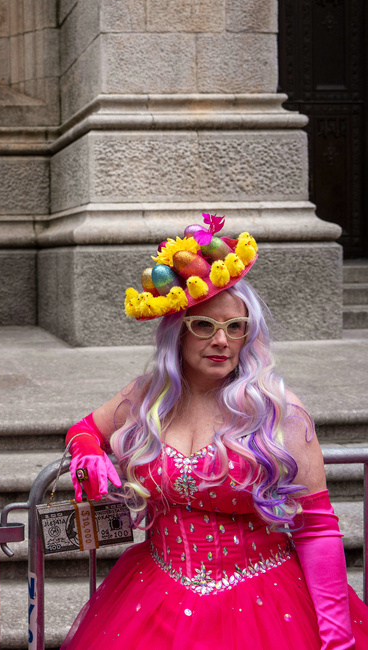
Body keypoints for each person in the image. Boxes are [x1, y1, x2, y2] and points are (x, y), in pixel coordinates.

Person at [61, 215, 368, 649]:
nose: (221, 341)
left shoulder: (279, 410)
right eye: (203, 326)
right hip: (155, 594)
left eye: (234, 327)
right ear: (177, 335)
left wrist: (338, 639)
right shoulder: (148, 395)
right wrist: (87, 451)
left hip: (264, 603)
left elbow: (317, 528)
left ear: (248, 334)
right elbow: (85, 428)